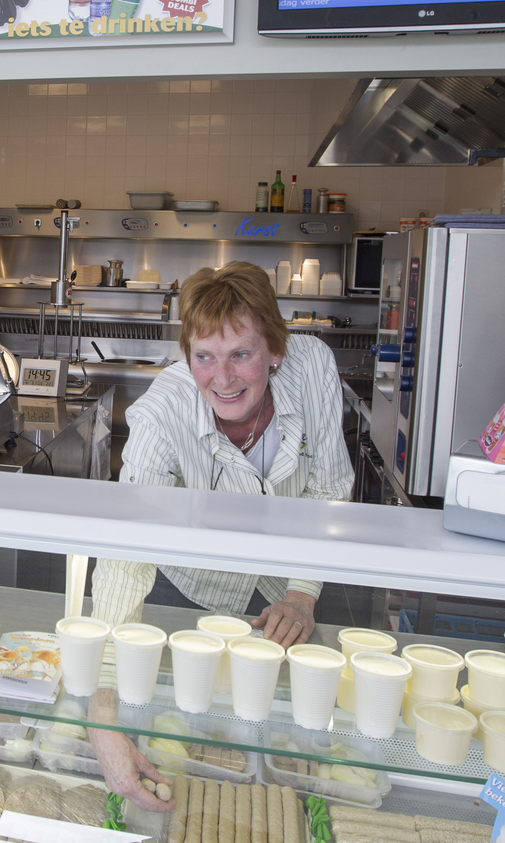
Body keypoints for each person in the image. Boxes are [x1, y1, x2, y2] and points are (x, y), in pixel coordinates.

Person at [88, 261, 354, 812]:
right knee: (183, 725)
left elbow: (330, 488)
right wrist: (104, 714)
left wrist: (303, 593)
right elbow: (125, 553)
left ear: (275, 350)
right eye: (204, 357)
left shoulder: (312, 368)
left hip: (287, 590)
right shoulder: (164, 414)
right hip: (190, 588)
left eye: (242, 354)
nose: (223, 378)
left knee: (279, 740)